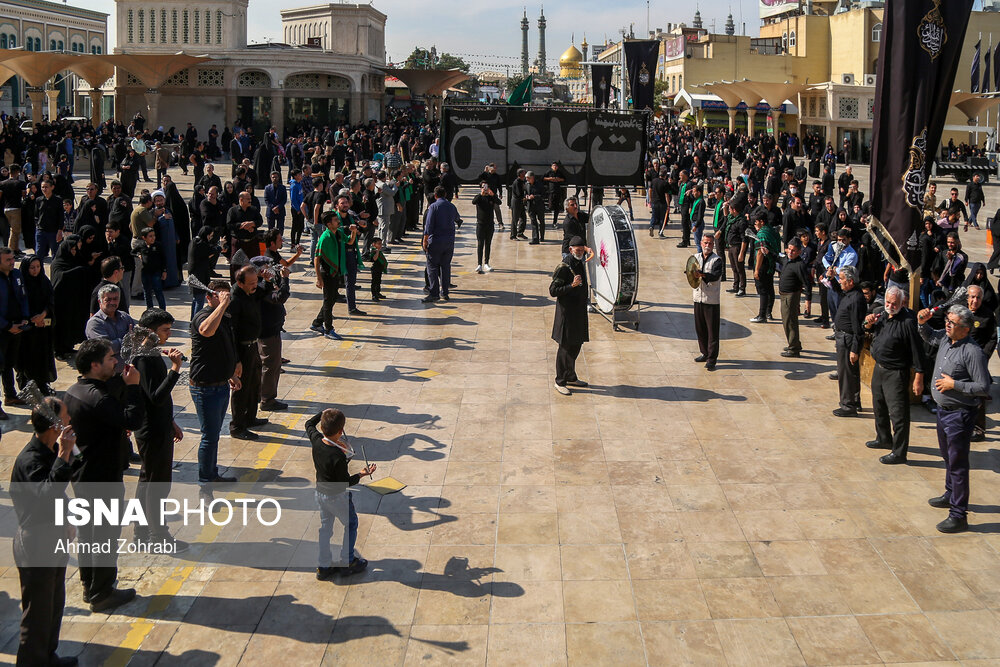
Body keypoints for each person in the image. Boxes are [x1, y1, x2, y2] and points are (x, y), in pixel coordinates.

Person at [63, 338, 143, 612]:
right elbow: (132, 420)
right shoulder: (98, 398)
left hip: (84, 474)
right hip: (102, 477)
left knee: (89, 534)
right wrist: (133, 388)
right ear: (95, 365)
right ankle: (103, 592)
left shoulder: (74, 390)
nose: (115, 361)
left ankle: (90, 585)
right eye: (110, 358)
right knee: (105, 535)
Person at [10, 397, 78, 667]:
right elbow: (46, 495)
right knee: (37, 615)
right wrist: (63, 454)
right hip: (36, 542)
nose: (70, 420)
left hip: (53, 537)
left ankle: (49, 657)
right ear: (55, 425)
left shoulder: (51, 448)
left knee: (53, 606)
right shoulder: (31, 460)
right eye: (66, 417)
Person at [917, 304, 991, 533]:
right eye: (947, 320)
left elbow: (983, 386)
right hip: (943, 411)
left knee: (958, 465)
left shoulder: (973, 352)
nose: (947, 325)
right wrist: (922, 322)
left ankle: (959, 515)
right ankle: (950, 494)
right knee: (947, 458)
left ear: (966, 329)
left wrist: (954, 385)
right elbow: (930, 336)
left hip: (959, 414)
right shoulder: (946, 339)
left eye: (952, 323)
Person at [131, 308, 187, 550]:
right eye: (165, 330)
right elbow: (155, 396)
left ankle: (142, 532)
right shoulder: (145, 358)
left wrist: (170, 421)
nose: (169, 334)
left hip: (157, 424)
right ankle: (158, 535)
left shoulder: (149, 353)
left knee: (148, 481)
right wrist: (175, 369)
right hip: (151, 429)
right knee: (157, 485)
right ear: (150, 332)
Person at [307, 407, 376, 580]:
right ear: (340, 432)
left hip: (320, 494)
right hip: (337, 497)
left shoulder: (316, 440)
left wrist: (322, 413)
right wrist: (361, 474)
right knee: (351, 523)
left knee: (325, 528)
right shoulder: (338, 456)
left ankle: (323, 566)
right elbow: (346, 481)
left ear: (322, 428)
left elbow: (309, 424)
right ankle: (347, 560)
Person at [863, 286, 926, 465]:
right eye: (888, 302)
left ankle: (899, 452)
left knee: (898, 414)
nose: (890, 306)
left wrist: (919, 376)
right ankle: (883, 437)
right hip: (879, 369)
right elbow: (867, 329)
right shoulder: (882, 315)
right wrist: (868, 323)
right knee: (879, 405)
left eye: (894, 303)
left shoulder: (908, 322)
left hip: (896, 373)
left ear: (902, 303)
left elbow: (917, 351)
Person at [189, 279, 241, 484]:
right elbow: (206, 331)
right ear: (209, 296)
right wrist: (220, 306)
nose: (224, 299)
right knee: (209, 436)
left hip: (220, 384)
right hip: (205, 388)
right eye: (218, 294)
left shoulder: (224, 317)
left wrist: (231, 373)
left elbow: (222, 348)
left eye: (226, 295)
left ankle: (211, 470)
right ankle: (206, 475)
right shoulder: (202, 316)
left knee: (215, 433)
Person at [227, 265, 267, 440]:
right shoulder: (235, 300)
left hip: (252, 346)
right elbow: (232, 333)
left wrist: (268, 279)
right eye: (251, 282)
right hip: (242, 350)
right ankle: (237, 426)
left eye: (256, 281)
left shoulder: (249, 292)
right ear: (239, 282)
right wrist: (236, 360)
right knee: (241, 388)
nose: (255, 285)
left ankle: (250, 417)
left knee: (253, 384)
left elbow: (263, 292)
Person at [550, 236, 590, 395]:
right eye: (577, 250)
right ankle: (560, 380)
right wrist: (571, 286)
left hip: (578, 312)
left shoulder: (580, 262)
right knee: (565, 348)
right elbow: (553, 291)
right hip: (567, 313)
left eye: (582, 250)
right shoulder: (564, 267)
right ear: (570, 250)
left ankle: (571, 376)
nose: (580, 252)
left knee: (577, 344)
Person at [16, 255, 57, 397]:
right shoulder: (21, 284)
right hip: (28, 330)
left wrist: (43, 314)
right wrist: (33, 319)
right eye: (32, 268)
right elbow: (20, 304)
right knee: (27, 357)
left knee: (42, 356)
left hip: (43, 328)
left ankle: (42, 383)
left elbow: (50, 300)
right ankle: (27, 386)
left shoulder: (44, 281)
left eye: (38, 267)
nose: (35, 270)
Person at [310, 207, 351, 340]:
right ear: (328, 224)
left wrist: (354, 232)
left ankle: (317, 323)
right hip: (327, 273)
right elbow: (317, 258)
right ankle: (328, 329)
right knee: (328, 301)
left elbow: (349, 241)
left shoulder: (338, 233)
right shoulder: (325, 237)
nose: (338, 221)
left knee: (332, 299)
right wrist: (318, 278)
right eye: (335, 220)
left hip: (337, 272)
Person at [832, 265, 865, 417]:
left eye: (842, 279)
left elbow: (858, 327)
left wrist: (854, 349)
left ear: (851, 281)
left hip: (848, 339)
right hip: (843, 337)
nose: (840, 281)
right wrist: (832, 280)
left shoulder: (856, 299)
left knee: (846, 374)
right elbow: (838, 291)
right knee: (850, 373)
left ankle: (848, 405)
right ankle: (855, 400)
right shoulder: (849, 294)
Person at [257, 261, 291, 413]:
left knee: (271, 365)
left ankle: (263, 395)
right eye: (267, 267)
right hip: (267, 334)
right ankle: (267, 399)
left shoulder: (264, 284)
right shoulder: (260, 288)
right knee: (271, 366)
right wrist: (285, 279)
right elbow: (280, 297)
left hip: (271, 331)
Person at [0, 246, 29, 416]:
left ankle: (10, 395)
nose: (12, 262)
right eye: (8, 260)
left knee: (9, 363)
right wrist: (6, 326)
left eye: (12, 259)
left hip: (17, 327)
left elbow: (23, 297)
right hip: (3, 329)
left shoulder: (17, 275)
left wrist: (24, 318)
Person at [84, 284, 136, 371]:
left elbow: (138, 340)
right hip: (108, 374)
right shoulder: (94, 323)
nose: (112, 302)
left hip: (128, 372)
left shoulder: (125, 317)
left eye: (115, 299)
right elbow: (106, 349)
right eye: (108, 300)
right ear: (100, 301)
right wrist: (128, 340)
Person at [422, 186, 458, 304]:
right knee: (445, 267)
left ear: (435, 195)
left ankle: (434, 293)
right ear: (445, 194)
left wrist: (425, 240)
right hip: (449, 241)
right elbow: (457, 219)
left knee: (432, 267)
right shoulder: (452, 206)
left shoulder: (433, 207)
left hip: (436, 241)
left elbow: (429, 225)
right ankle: (445, 292)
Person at [691, 234, 722, 370]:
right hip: (698, 298)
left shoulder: (717, 260)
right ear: (701, 243)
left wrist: (702, 275)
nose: (707, 246)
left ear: (713, 245)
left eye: (710, 243)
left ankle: (711, 359)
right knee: (700, 328)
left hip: (711, 300)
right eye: (705, 243)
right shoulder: (695, 258)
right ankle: (704, 352)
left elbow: (715, 276)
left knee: (712, 331)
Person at [778, 237, 812, 357]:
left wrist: (808, 301)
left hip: (791, 296)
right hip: (784, 296)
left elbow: (807, 284)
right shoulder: (787, 260)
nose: (791, 253)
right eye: (789, 250)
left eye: (794, 251)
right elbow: (778, 258)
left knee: (790, 322)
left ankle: (793, 349)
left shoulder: (799, 265)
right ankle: (794, 343)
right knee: (787, 321)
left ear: (799, 252)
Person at [750, 212, 780, 323]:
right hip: (771, 265)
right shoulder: (772, 230)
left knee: (763, 290)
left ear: (762, 222)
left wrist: (757, 270)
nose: (755, 225)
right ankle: (768, 312)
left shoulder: (762, 234)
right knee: (770, 288)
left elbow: (760, 253)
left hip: (763, 265)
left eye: (756, 222)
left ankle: (761, 315)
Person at [134, 228, 166, 310]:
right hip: (145, 272)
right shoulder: (141, 246)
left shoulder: (158, 245)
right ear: (144, 238)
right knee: (147, 292)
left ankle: (163, 310)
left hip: (156, 272)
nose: (153, 238)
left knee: (158, 292)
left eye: (154, 236)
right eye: (150, 236)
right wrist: (138, 255)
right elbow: (132, 252)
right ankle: (150, 310)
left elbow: (164, 259)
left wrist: (164, 271)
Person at [471, 181, 499, 273]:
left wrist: (493, 195)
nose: (485, 189)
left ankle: (486, 263)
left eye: (486, 187)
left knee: (488, 243)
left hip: (490, 224)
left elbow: (499, 202)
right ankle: (479, 264)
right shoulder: (478, 197)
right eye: (483, 187)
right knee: (480, 244)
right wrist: (481, 194)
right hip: (480, 224)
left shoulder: (491, 197)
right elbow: (473, 202)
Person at [525, 172, 545, 244]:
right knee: (533, 222)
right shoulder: (527, 184)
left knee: (541, 221)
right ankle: (535, 238)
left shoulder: (539, 184)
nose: (527, 179)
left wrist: (534, 196)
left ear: (532, 178)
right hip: (530, 206)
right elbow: (525, 193)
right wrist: (526, 197)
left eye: (528, 178)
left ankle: (542, 236)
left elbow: (543, 195)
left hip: (539, 206)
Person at [369, 237, 388, 302]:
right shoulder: (373, 251)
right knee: (374, 282)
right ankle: (374, 295)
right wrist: (377, 252)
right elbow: (374, 259)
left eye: (381, 244)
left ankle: (378, 293)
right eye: (379, 244)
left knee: (378, 281)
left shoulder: (378, 250)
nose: (380, 245)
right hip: (375, 269)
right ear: (374, 244)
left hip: (379, 269)